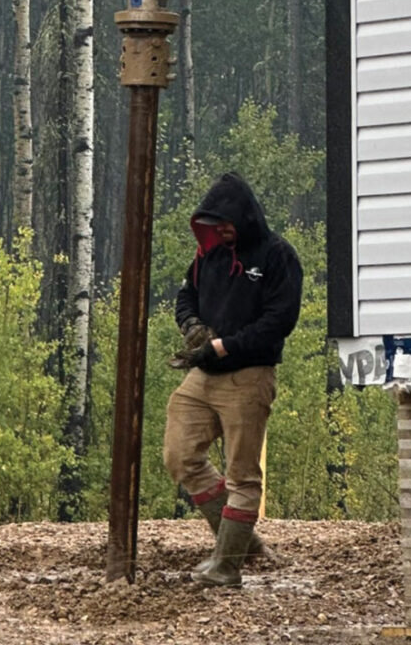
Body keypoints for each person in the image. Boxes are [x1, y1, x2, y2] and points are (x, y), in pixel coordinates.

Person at [162, 171, 302, 586]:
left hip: (249, 375)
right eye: (212, 221)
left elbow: (280, 320)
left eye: (225, 221)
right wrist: (191, 327)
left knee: (242, 473)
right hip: (203, 375)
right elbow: (186, 295)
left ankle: (227, 566)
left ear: (244, 215)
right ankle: (242, 542)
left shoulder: (278, 255)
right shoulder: (210, 253)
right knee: (179, 454)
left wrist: (224, 346)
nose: (219, 228)